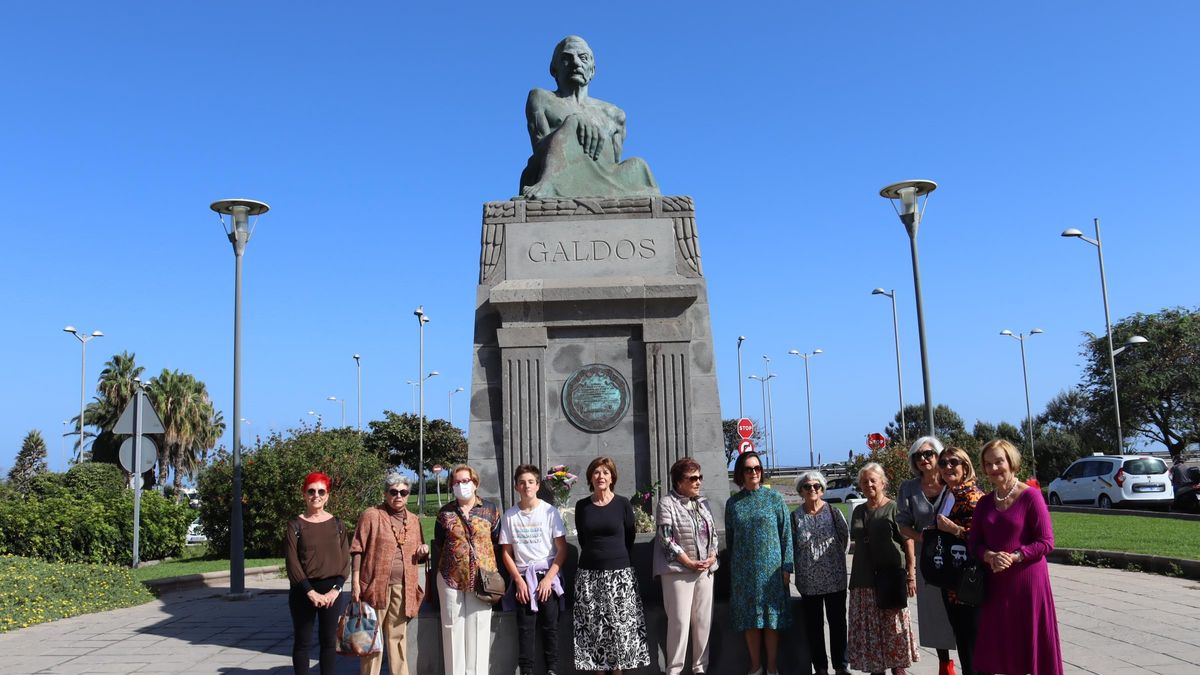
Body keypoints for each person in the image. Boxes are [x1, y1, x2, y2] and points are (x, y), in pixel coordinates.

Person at [519, 35, 659, 199]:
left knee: (638, 165)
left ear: (592, 69)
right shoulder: (542, 98)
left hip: (603, 178)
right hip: (556, 172)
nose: (576, 63)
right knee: (573, 121)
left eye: (583, 58)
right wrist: (574, 123)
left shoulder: (614, 114)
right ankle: (550, 186)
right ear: (554, 69)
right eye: (566, 58)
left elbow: (613, 163)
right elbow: (539, 151)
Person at [970, 440, 1063, 675]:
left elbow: (1046, 542)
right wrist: (990, 556)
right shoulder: (984, 502)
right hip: (997, 585)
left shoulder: (1031, 497)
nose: (993, 469)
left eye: (998, 461)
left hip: (1027, 584)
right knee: (1003, 650)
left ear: (1011, 462)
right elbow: (975, 543)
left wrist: (1016, 556)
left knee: (1030, 647)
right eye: (988, 464)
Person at [573, 456, 650, 674]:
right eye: (596, 472)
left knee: (619, 630)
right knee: (595, 630)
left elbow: (629, 537)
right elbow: (583, 540)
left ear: (612, 477)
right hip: (589, 576)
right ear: (590, 477)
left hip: (619, 576)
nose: (601, 476)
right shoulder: (582, 506)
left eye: (605, 472)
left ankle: (617, 671)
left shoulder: (623, 504)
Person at [350, 474, 429, 675]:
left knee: (398, 638)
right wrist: (356, 583)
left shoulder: (413, 520)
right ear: (385, 493)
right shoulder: (371, 515)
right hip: (375, 586)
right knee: (372, 640)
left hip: (403, 588)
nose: (398, 496)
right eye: (393, 492)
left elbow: (416, 554)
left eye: (403, 492)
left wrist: (423, 552)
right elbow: (357, 549)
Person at [848, 462, 919, 675]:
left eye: (873, 480)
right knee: (870, 637)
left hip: (890, 578)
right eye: (864, 481)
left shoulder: (894, 508)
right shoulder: (859, 510)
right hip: (863, 580)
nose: (869, 484)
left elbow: (908, 542)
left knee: (893, 634)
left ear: (883, 483)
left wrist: (911, 574)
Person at [725, 450, 792, 675]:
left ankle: (772, 668)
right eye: (748, 469)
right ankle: (756, 666)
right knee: (750, 620)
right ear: (740, 473)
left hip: (772, 571)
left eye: (757, 468)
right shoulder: (733, 504)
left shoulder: (775, 499)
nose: (753, 472)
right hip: (744, 572)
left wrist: (787, 566)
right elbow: (731, 538)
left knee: (771, 621)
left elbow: (786, 534)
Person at [896, 436, 958, 675]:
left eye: (929, 454)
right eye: (918, 456)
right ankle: (946, 666)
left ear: (939, 456)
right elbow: (903, 524)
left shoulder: (953, 482)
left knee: (961, 610)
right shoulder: (908, 489)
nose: (923, 459)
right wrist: (924, 538)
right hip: (928, 558)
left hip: (956, 556)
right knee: (935, 613)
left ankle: (970, 661)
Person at [433, 464, 502, 675]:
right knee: (452, 629)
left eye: (465, 481)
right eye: (457, 482)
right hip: (450, 577)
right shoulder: (445, 513)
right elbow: (440, 541)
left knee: (479, 629)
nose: (461, 485)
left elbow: (496, 540)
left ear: (475, 483)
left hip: (482, 579)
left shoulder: (490, 510)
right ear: (452, 486)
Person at [499, 465, 568, 675]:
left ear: (537, 485)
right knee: (525, 627)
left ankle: (552, 669)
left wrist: (548, 579)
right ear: (516, 486)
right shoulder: (510, 516)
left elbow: (562, 549)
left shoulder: (549, 512)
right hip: (523, 578)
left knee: (550, 626)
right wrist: (519, 581)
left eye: (530, 482)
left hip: (547, 575)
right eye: (522, 482)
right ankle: (526, 670)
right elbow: (506, 553)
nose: (526, 486)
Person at [654, 457, 719, 675]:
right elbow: (666, 539)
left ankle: (700, 668)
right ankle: (675, 670)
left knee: (702, 623)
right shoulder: (666, 503)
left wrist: (712, 556)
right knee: (679, 623)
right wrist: (688, 562)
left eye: (700, 477)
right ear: (679, 481)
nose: (698, 481)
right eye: (693, 478)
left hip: (705, 572)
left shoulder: (703, 502)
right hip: (678, 572)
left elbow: (714, 534)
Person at [285, 471, 350, 675]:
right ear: (304, 494)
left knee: (328, 641)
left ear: (327, 495)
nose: (316, 495)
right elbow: (292, 562)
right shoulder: (295, 525)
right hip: (303, 591)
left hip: (332, 590)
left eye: (321, 491)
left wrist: (335, 590)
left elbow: (345, 561)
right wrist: (310, 592)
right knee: (303, 642)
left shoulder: (337, 524)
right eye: (311, 491)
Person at [790, 470, 850, 675]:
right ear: (801, 491)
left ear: (822, 490)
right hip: (809, 582)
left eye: (816, 486)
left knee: (838, 624)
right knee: (814, 628)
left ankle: (841, 666)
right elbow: (791, 546)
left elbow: (845, 540)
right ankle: (821, 668)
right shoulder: (795, 517)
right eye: (807, 487)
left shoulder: (833, 512)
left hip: (835, 579)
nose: (812, 489)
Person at [935, 447, 985, 675]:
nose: (947, 467)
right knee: (963, 640)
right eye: (942, 463)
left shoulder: (972, 496)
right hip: (953, 579)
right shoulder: (949, 493)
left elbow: (981, 540)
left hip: (969, 580)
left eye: (953, 462)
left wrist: (954, 529)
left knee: (973, 644)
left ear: (965, 466)